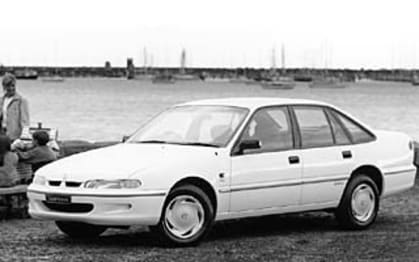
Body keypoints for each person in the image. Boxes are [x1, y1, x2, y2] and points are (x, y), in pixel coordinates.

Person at [0, 73, 30, 141]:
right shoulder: (1, 100)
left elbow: (25, 121)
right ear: (4, 87)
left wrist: (23, 137)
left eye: (13, 85)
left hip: (14, 136)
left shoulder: (21, 100)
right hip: (2, 134)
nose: (11, 88)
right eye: (8, 86)